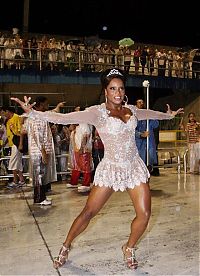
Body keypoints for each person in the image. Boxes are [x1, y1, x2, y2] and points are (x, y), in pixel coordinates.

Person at [11, 68, 184, 270]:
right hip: (111, 169)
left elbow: (149, 113)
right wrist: (34, 113)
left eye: (120, 88)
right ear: (105, 91)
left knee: (144, 214)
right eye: (113, 88)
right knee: (88, 212)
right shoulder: (97, 113)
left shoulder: (131, 110)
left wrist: (166, 115)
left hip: (133, 167)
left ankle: (129, 247)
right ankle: (66, 245)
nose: (118, 93)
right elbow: (64, 118)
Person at [22, 96, 65, 206]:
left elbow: (53, 112)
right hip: (39, 152)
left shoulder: (39, 115)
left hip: (40, 151)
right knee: (39, 176)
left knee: (40, 175)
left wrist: (58, 106)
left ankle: (40, 197)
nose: (47, 106)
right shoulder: (37, 118)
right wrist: (44, 153)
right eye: (46, 104)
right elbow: (37, 136)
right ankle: (40, 199)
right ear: (40, 104)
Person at [1, 105, 25, 188]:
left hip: (17, 144)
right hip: (12, 144)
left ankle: (15, 181)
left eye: (3, 113)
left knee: (13, 162)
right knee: (17, 163)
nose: (3, 115)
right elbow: (8, 134)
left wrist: (21, 144)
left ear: (7, 111)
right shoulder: (8, 121)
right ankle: (21, 180)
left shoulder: (16, 117)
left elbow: (20, 132)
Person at [135, 99, 160, 175]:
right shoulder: (134, 116)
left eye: (142, 102)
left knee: (149, 165)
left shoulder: (147, 116)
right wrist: (140, 134)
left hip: (149, 144)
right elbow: (132, 130)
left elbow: (156, 124)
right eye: (139, 102)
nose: (141, 104)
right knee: (140, 166)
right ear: (136, 105)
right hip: (139, 144)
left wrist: (151, 115)